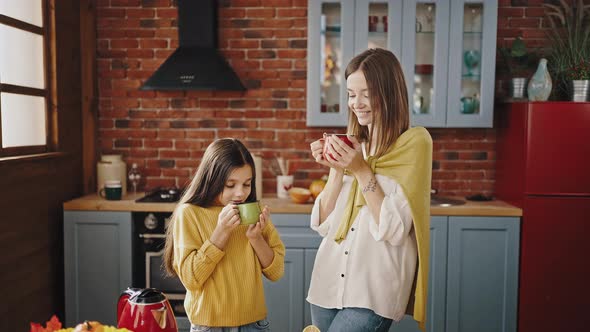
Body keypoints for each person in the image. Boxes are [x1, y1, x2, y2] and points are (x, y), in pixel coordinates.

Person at [307, 48, 432, 332]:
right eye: (351, 94)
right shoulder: (354, 144)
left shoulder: (413, 145)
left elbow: (394, 230)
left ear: (389, 92)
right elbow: (323, 223)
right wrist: (336, 168)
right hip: (327, 283)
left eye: (367, 93)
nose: (357, 103)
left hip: (373, 292)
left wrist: (362, 169)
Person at [162, 138, 285, 332]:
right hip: (209, 326)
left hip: (254, 325)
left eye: (247, 184)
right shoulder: (189, 213)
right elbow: (191, 279)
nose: (240, 193)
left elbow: (276, 272)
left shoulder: (253, 212)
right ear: (212, 179)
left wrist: (256, 238)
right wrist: (221, 232)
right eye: (230, 185)